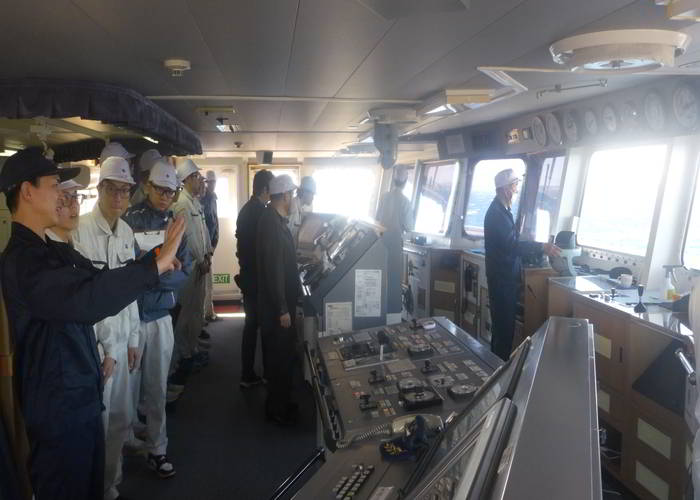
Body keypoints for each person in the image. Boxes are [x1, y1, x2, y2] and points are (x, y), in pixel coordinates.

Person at [0, 148, 184, 500]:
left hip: (77, 396)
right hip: (58, 406)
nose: (62, 195)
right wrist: (154, 266)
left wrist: (154, 258)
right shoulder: (25, 262)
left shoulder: (51, 251)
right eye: (54, 185)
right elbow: (88, 298)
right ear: (27, 192)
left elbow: (102, 278)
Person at [72, 156, 143, 500]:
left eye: (125, 190)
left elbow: (130, 292)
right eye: (112, 189)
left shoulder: (126, 232)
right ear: (99, 189)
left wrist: (133, 338)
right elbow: (89, 299)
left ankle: (110, 485)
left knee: (120, 419)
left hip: (122, 342)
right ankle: (93, 489)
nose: (119, 197)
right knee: (96, 426)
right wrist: (111, 348)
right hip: (98, 347)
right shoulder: (80, 231)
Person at [122, 159, 191, 478]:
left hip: (161, 314)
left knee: (157, 385)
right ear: (147, 187)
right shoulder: (129, 221)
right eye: (161, 189)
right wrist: (159, 270)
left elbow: (182, 273)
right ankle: (125, 438)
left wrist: (148, 275)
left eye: (170, 191)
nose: (165, 196)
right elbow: (124, 271)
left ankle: (157, 447)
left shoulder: (177, 223)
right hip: (131, 316)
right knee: (127, 387)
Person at [484, 168, 560, 361]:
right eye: (514, 186)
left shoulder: (501, 210)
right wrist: (541, 247)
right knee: (504, 331)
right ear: (505, 189)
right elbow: (512, 245)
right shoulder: (497, 214)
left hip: (503, 277)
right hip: (502, 280)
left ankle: (495, 368)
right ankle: (498, 370)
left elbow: (510, 242)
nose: (516, 190)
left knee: (502, 329)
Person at [257, 174, 301, 425]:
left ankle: (283, 401)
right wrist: (283, 309)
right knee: (278, 357)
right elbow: (274, 270)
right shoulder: (272, 224)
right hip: (276, 307)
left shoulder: (274, 220)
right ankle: (276, 409)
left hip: (278, 303)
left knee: (283, 355)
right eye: (292, 194)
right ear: (284, 195)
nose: (293, 198)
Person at [170, 159, 212, 385]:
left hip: (200, 264)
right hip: (190, 266)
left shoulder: (194, 203)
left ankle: (191, 349)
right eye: (196, 177)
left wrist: (207, 254)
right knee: (185, 314)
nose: (200, 181)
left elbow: (203, 232)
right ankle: (183, 356)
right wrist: (201, 258)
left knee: (196, 312)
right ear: (186, 179)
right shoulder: (182, 205)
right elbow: (189, 237)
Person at [235, 169, 274, 388]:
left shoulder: (246, 210)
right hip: (258, 280)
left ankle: (247, 374)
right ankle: (266, 373)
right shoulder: (262, 213)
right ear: (265, 189)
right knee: (263, 327)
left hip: (248, 276)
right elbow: (265, 251)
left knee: (250, 327)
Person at [375, 165, 414, 324]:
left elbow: (377, 219)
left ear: (393, 180)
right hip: (395, 243)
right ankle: (393, 320)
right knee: (394, 281)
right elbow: (409, 226)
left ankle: (380, 315)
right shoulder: (405, 202)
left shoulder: (384, 198)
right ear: (405, 182)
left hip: (381, 242)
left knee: (381, 280)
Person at [201, 170, 219, 323]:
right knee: (204, 282)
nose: (211, 185)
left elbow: (215, 222)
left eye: (213, 182)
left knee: (209, 282)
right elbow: (204, 225)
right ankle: (204, 314)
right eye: (209, 182)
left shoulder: (214, 199)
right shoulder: (202, 199)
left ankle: (209, 311)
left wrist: (214, 243)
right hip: (203, 247)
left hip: (211, 245)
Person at [45, 179, 85, 244]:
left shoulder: (79, 247)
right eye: (65, 198)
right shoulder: (41, 247)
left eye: (75, 197)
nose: (74, 205)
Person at [288, 175, 315, 242]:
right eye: (312, 194)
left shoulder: (305, 207)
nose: (313, 198)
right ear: (304, 192)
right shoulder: (292, 206)